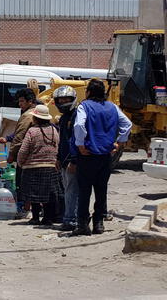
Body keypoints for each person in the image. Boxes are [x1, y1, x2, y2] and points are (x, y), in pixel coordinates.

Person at [72, 79, 132, 236]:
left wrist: (80, 144)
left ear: (89, 92)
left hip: (88, 155)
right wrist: (120, 142)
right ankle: (99, 223)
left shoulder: (84, 106)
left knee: (84, 191)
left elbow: (79, 125)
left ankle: (82, 224)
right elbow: (127, 124)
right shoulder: (113, 107)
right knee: (101, 190)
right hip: (105, 156)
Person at [17, 105, 62, 226]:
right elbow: (58, 146)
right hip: (50, 166)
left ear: (35, 118)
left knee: (33, 194)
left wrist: (20, 162)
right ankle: (47, 218)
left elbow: (23, 150)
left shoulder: (32, 131)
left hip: (33, 166)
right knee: (48, 194)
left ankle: (35, 217)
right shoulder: (54, 130)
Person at [54, 86, 80, 231]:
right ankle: (69, 217)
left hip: (72, 160)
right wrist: (58, 158)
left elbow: (76, 139)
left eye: (66, 99)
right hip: (64, 160)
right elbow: (62, 140)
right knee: (68, 190)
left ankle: (72, 219)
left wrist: (74, 160)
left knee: (72, 191)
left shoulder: (76, 116)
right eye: (60, 100)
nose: (63, 102)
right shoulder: (64, 118)